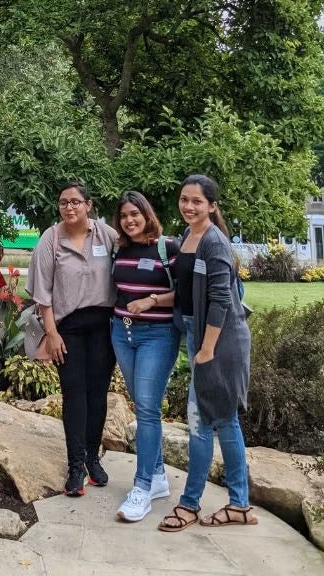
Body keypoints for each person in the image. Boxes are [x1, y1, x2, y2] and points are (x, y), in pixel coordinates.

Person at [159, 174, 257, 532]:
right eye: (185, 199)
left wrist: (206, 350)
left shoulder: (214, 242)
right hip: (199, 336)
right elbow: (187, 293)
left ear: (212, 206)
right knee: (225, 421)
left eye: (197, 201)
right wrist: (153, 300)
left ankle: (189, 504)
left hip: (219, 342)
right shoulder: (188, 236)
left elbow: (220, 301)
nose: (188, 206)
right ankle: (240, 505)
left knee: (200, 424)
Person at [27, 182, 118, 497]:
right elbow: (43, 293)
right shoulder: (50, 240)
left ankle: (93, 458)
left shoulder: (106, 236)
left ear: (88, 205)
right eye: (64, 202)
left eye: (76, 202)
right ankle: (76, 465)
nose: (69, 207)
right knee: (74, 394)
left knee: (98, 395)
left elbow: (133, 255)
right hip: (68, 330)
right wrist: (51, 333)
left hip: (104, 328)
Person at [110, 191, 180, 522]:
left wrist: (152, 300)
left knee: (148, 409)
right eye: (124, 216)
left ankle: (142, 488)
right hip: (122, 333)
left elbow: (184, 293)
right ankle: (159, 476)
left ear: (146, 214)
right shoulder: (119, 249)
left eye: (134, 214)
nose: (129, 220)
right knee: (141, 403)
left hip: (158, 335)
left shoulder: (167, 247)